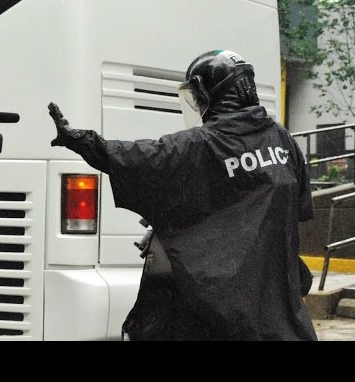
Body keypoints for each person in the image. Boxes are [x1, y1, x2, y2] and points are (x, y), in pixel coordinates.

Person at [48, 50, 318, 341]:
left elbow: (140, 158)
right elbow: (292, 210)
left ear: (208, 92)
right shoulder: (283, 141)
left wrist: (83, 141)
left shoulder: (202, 145)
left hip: (223, 312)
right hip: (279, 307)